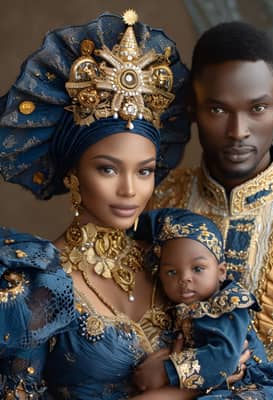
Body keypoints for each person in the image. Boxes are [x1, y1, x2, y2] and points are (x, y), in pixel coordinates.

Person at [0, 9, 198, 400]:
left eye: (144, 172)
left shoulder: (171, 259)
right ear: (73, 173)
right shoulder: (36, 283)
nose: (130, 190)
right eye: (108, 170)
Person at [148, 21, 273, 392]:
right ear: (193, 109)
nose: (238, 130)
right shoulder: (156, 204)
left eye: (257, 108)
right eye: (217, 110)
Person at [132, 207, 273, 399]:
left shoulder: (229, 304)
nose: (184, 278)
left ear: (221, 272)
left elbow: (226, 356)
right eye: (171, 272)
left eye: (198, 268)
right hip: (212, 386)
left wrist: (166, 372)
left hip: (246, 383)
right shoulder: (179, 309)